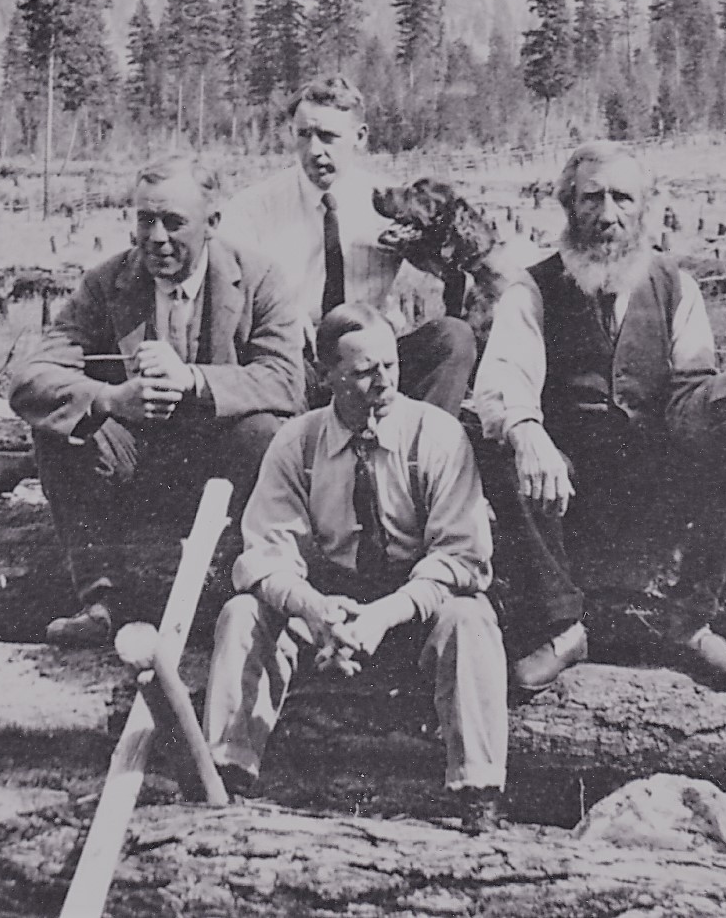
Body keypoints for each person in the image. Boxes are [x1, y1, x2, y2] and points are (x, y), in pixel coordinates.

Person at [472, 140, 726, 693]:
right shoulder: (533, 289)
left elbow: (691, 403)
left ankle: (689, 619)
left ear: (644, 208)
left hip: (653, 480)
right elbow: (502, 381)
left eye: (622, 199)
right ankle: (562, 628)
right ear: (568, 206)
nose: (607, 216)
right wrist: (529, 433)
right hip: (565, 486)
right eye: (591, 199)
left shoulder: (675, 287)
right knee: (500, 444)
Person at [203, 301, 508, 832]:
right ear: (327, 376)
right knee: (240, 614)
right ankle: (225, 777)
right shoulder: (297, 443)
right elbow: (264, 554)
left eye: (390, 365)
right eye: (364, 372)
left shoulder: (437, 435)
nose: (384, 383)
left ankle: (477, 792)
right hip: (328, 605)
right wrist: (316, 610)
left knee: (472, 619)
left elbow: (461, 556)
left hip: (412, 608)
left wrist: (384, 616)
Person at [10, 155, 305, 646]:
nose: (157, 238)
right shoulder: (107, 283)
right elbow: (31, 380)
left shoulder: (258, 278)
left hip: (223, 461)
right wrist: (109, 398)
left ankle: (234, 597)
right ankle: (100, 601)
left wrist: (193, 380)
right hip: (136, 464)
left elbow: (285, 381)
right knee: (61, 427)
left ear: (212, 223)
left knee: (265, 434)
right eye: (145, 220)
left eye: (173, 223)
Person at [220, 75, 475, 415]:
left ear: (360, 137)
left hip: (373, 362)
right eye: (304, 135)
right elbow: (229, 294)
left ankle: (420, 453)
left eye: (327, 137)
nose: (314, 151)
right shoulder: (253, 208)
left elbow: (454, 266)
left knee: (452, 338)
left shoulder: (389, 204)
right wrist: (282, 316)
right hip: (297, 362)